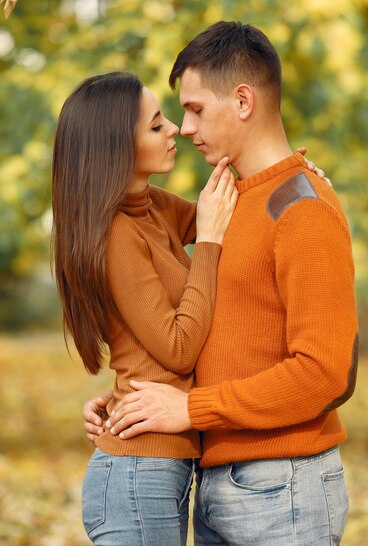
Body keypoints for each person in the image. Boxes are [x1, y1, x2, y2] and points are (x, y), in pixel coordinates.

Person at [85, 21, 358, 546]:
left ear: (242, 100)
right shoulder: (232, 202)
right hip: (216, 482)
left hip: (285, 487)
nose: (185, 128)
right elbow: (227, 334)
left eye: (195, 109)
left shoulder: (303, 209)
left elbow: (324, 374)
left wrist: (189, 408)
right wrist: (135, 396)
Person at [51, 71, 239, 546]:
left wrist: (294, 176)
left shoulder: (151, 207)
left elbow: (232, 211)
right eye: (157, 126)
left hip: (159, 470)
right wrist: (210, 246)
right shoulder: (117, 234)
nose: (175, 128)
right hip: (138, 475)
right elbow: (177, 349)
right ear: (118, 147)